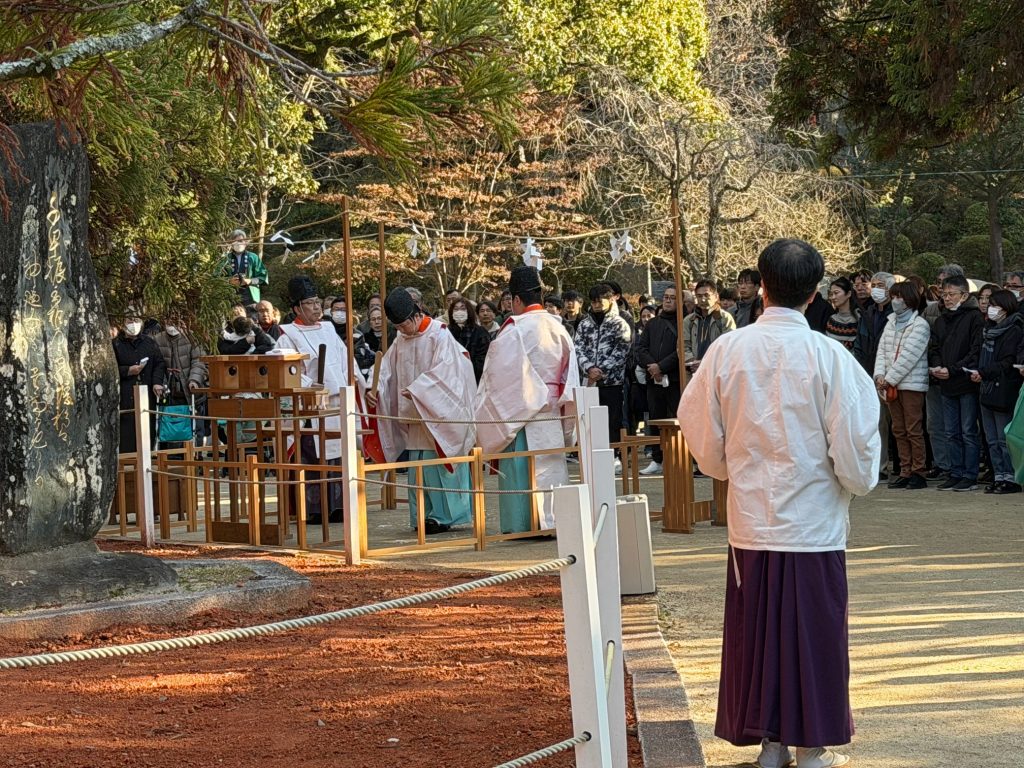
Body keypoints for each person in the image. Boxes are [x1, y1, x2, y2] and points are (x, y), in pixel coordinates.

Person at [679, 238, 880, 768]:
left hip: (752, 515)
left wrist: (727, 468)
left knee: (758, 630)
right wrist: (853, 482)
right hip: (813, 518)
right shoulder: (830, 356)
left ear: (761, 286)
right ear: (814, 294)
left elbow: (697, 423)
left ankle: (770, 742)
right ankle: (811, 746)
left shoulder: (727, 350)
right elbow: (856, 444)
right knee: (815, 632)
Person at [475, 266, 580, 533]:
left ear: (517, 299)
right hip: (552, 407)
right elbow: (570, 374)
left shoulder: (515, 329)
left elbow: (496, 375)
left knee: (520, 466)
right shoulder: (558, 327)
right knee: (549, 466)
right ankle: (552, 521)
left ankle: (523, 525)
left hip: (520, 408)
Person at [369, 288, 478, 533]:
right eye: (397, 326)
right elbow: (386, 369)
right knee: (418, 465)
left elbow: (448, 373)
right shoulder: (401, 339)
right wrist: (374, 388)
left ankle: (445, 516)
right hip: (414, 413)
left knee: (437, 463)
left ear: (417, 314)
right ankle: (422, 515)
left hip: (437, 414)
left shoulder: (439, 334)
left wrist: (419, 390)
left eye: (404, 324)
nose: (401, 330)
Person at [276, 277, 366, 524]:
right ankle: (314, 508)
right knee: (312, 452)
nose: (316, 307)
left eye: (317, 302)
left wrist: (355, 379)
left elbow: (346, 359)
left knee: (339, 451)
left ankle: (339, 505)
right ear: (297, 308)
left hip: (337, 399)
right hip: (311, 403)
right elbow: (287, 369)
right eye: (309, 303)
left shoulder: (328, 329)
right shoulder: (287, 335)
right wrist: (307, 385)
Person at [928, 275, 984, 492]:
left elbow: (975, 351)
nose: (948, 298)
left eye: (952, 294)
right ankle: (955, 472)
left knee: (968, 430)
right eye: (944, 294)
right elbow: (934, 348)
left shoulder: (974, 317)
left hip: (966, 381)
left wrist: (952, 369)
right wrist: (937, 366)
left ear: (964, 295)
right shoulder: (941, 320)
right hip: (946, 383)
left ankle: (970, 475)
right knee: (950, 431)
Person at [873, 281, 931, 489]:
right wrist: (879, 375)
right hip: (890, 384)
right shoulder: (890, 322)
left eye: (899, 297)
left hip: (911, 385)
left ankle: (918, 470)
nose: (895, 301)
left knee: (913, 429)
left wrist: (889, 379)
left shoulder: (920, 325)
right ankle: (905, 470)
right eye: (893, 297)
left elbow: (909, 356)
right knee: (898, 429)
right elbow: (881, 351)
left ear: (910, 300)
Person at [969, 290, 1023, 493]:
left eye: (994, 305)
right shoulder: (988, 329)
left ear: (1005, 308)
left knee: (1002, 438)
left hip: (1003, 388)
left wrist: (984, 372)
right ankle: (999, 474)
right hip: (986, 387)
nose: (990, 309)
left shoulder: (1014, 329)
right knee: (991, 439)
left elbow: (1008, 361)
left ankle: (1010, 477)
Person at [574, 283, 632, 468]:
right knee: (589, 420)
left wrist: (601, 370)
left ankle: (614, 455)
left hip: (612, 382)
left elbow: (622, 350)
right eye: (594, 302)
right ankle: (591, 456)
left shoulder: (619, 323)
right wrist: (588, 368)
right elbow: (578, 348)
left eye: (600, 301)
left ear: (611, 299)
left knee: (613, 420)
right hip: (589, 381)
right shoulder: (584, 324)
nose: (597, 305)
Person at [854, 271, 896, 479]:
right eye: (875, 285)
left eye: (881, 285)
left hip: (891, 374)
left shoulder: (896, 313)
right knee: (876, 422)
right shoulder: (868, 312)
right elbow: (860, 343)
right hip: (869, 370)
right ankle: (879, 466)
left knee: (896, 422)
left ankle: (901, 465)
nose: (877, 289)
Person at [635, 288, 681, 476]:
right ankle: (657, 458)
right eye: (666, 297)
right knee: (655, 419)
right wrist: (652, 367)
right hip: (653, 380)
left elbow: (681, 350)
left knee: (678, 419)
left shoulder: (683, 322)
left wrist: (661, 366)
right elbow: (640, 348)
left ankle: (680, 457)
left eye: (673, 298)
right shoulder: (653, 323)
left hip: (675, 379)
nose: (668, 301)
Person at [113, 311, 167, 453]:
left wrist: (157, 382)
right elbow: (110, 369)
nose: (133, 324)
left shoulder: (149, 342)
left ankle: (147, 459)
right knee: (127, 432)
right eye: (129, 320)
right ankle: (128, 462)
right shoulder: (115, 344)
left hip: (147, 393)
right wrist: (127, 370)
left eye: (136, 320)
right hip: (125, 395)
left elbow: (159, 363)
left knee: (147, 430)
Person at [153, 315, 208, 447]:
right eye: (169, 320)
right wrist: (160, 382)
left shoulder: (193, 338)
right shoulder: (157, 340)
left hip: (190, 391)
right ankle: (171, 455)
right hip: (169, 391)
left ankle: (196, 454)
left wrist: (194, 380)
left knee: (194, 426)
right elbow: (157, 364)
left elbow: (199, 362)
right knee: (169, 424)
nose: (172, 324)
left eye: (176, 320)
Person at [683, 280, 736, 373]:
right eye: (699, 296)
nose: (703, 299)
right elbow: (683, 346)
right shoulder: (689, 320)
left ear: (716, 296)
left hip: (717, 371)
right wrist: (692, 362)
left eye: (706, 295)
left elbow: (729, 347)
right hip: (693, 372)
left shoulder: (724, 318)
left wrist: (706, 364)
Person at [220, 229, 269, 313]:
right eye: (235, 241)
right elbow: (216, 277)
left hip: (250, 294)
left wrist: (250, 281)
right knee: (233, 317)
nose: (238, 243)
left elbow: (263, 277)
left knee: (252, 318)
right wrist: (229, 281)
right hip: (230, 295)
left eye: (240, 241)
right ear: (231, 243)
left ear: (245, 242)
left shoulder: (253, 257)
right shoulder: (225, 259)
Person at [447, 298, 490, 382]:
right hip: (451, 379)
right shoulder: (447, 332)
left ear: (469, 311)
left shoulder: (480, 332)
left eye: (463, 309)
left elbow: (483, 360)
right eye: (456, 309)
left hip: (473, 379)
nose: (459, 312)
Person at [825, 277, 859, 351]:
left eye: (836, 293)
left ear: (848, 294)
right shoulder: (832, 320)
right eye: (831, 294)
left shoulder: (859, 318)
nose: (833, 297)